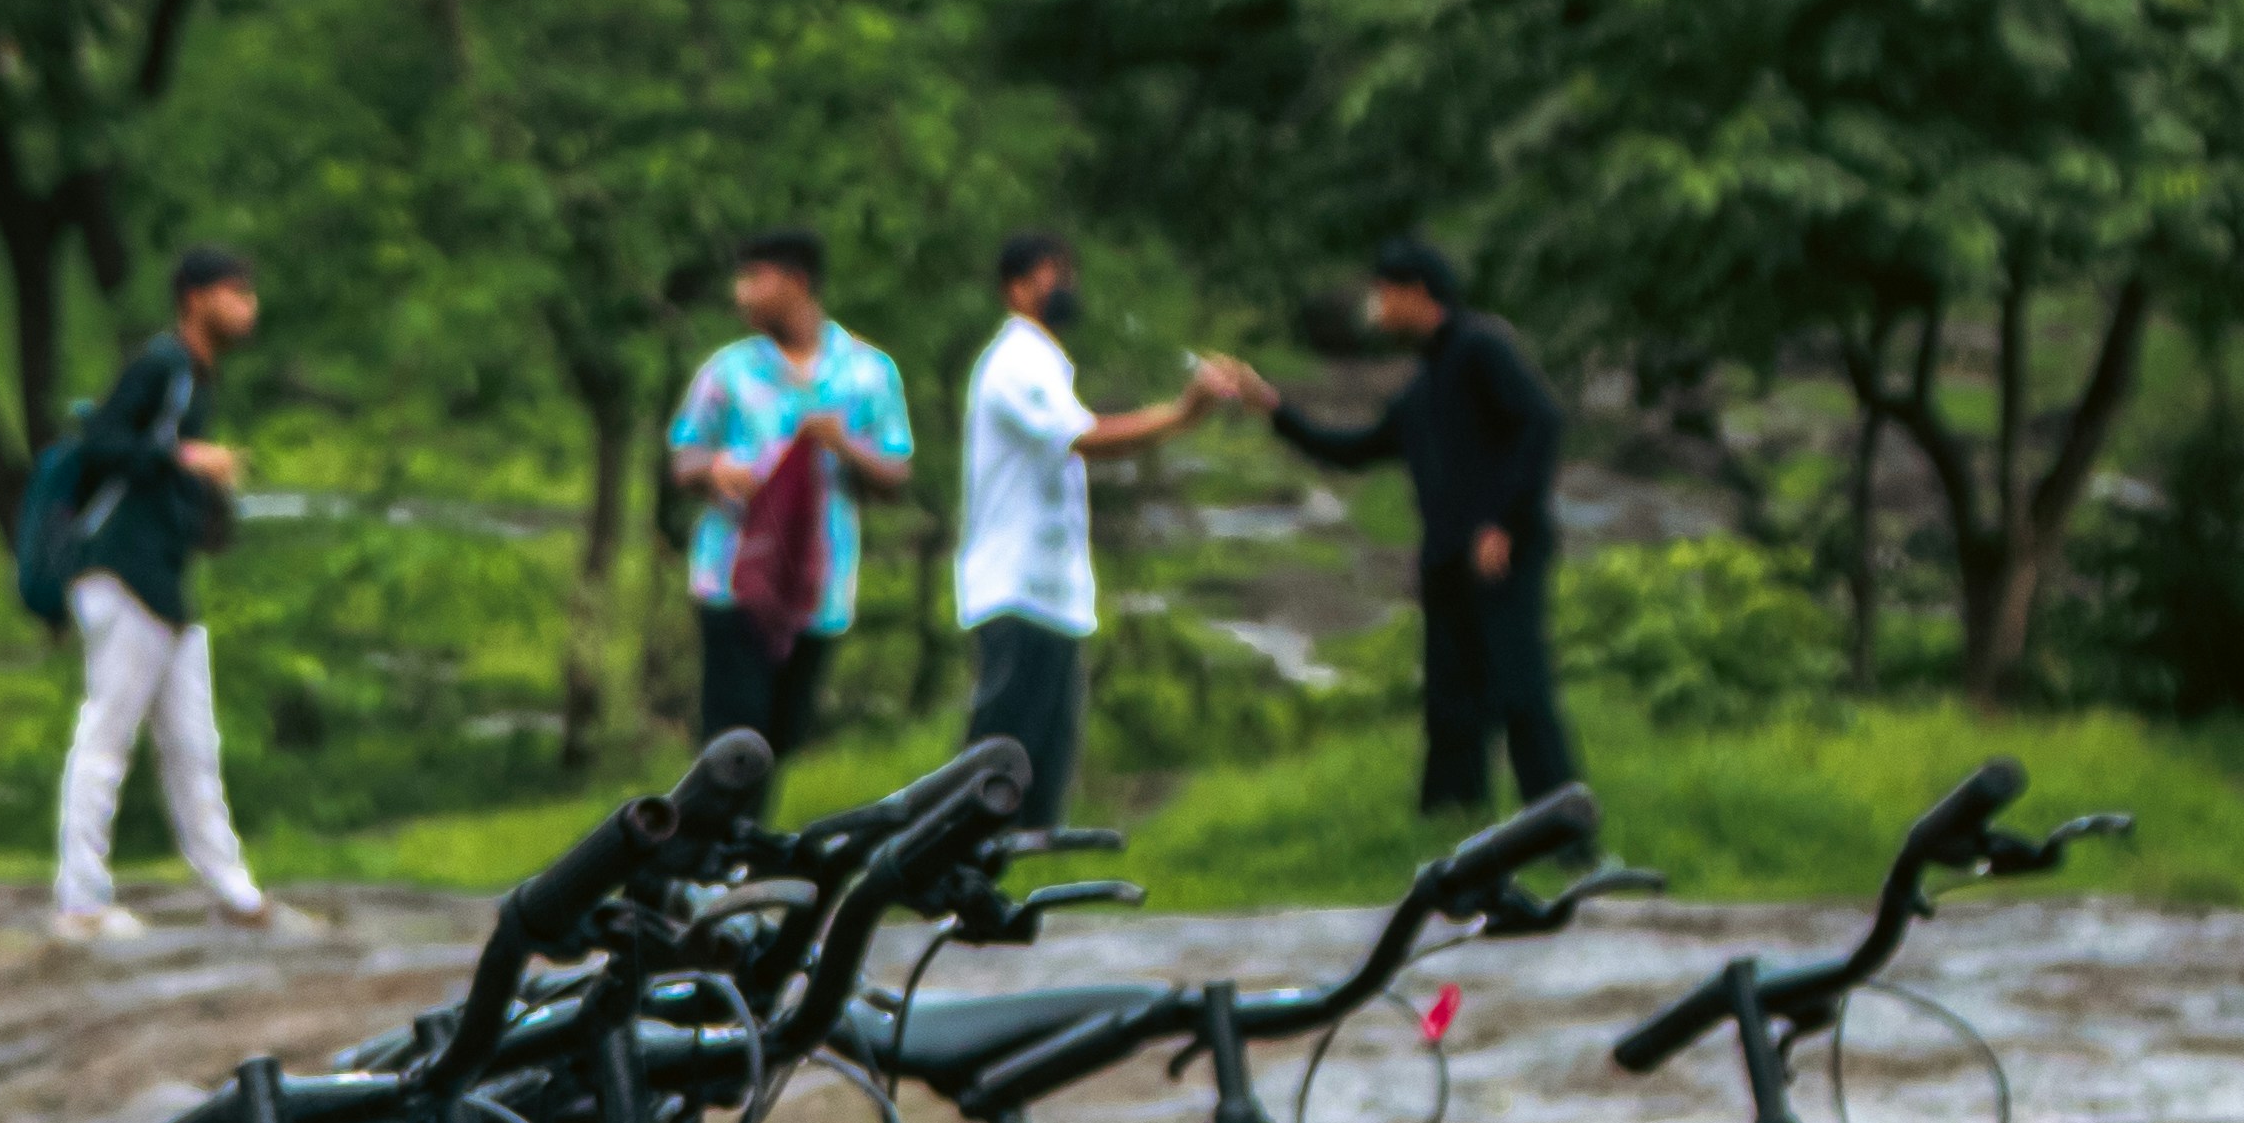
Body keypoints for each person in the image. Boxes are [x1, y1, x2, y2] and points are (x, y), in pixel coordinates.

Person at [1211, 234, 1576, 812]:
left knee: (1518, 689)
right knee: (1450, 702)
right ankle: (1451, 825)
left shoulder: (1482, 348)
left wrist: (1499, 522)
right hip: (1446, 559)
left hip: (1500, 551)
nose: (1376, 308)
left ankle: (1561, 831)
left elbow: (1540, 423)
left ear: (1416, 293)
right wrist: (1273, 408)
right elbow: (1352, 450)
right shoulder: (1421, 387)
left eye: (1384, 294)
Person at [949, 230, 1240, 824]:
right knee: (1001, 747)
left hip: (1053, 593)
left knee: (1044, 753)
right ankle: (954, 858)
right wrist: (1183, 413)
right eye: (1052, 274)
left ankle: (1021, 868)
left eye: (1069, 273)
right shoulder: (1014, 361)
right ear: (1016, 287)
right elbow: (1088, 439)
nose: (1067, 287)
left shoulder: (1049, 363)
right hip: (1015, 586)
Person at [42, 244, 277, 943]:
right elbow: (104, 440)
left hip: (162, 581)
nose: (248, 306)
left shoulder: (196, 377)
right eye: (236, 291)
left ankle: (236, 894)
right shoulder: (164, 364)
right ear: (197, 297)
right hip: (122, 572)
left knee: (193, 742)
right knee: (107, 736)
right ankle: (81, 900)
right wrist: (184, 459)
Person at [666, 229, 915, 752]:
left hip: (818, 585)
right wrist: (713, 469)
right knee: (733, 739)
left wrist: (843, 445)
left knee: (781, 738)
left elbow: (896, 474)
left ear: (798, 283)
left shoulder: (868, 373)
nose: (742, 293)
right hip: (732, 576)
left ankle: (748, 834)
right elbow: (682, 456)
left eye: (756, 279)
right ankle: (718, 835)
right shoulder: (728, 371)